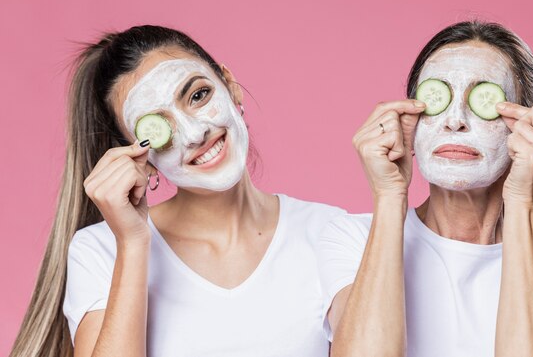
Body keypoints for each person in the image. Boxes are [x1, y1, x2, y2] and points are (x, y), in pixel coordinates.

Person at [11, 25, 344, 357]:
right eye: (159, 127)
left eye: (198, 95)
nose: (195, 133)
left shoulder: (330, 232)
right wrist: (133, 243)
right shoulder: (102, 250)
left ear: (230, 86)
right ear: (139, 154)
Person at [317, 21, 533, 357]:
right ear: (409, 121)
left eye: (481, 98)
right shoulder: (351, 238)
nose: (455, 119)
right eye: (437, 98)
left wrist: (528, 205)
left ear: (526, 126)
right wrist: (389, 197)